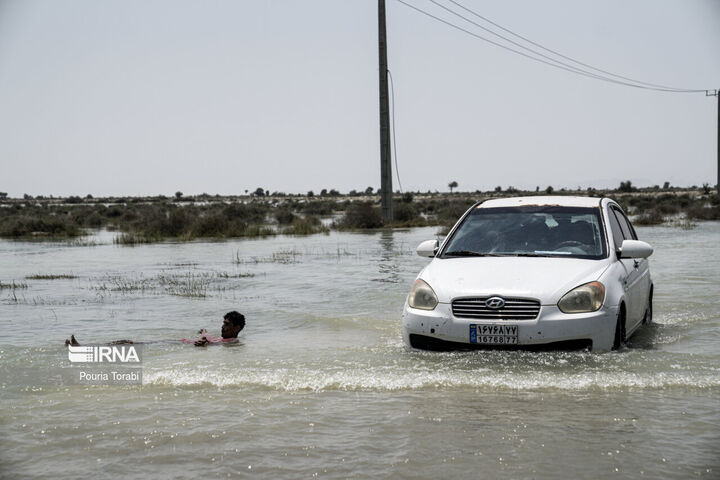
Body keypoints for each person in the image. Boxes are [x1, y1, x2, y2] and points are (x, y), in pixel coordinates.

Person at [64, 311, 246, 347]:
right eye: (223, 323)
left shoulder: (232, 341)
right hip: (175, 342)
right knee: (127, 342)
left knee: (129, 343)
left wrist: (203, 341)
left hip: (175, 346)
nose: (223, 327)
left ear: (237, 328)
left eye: (227, 325)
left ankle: (83, 347)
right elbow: (208, 339)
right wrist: (204, 332)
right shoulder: (222, 338)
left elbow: (211, 344)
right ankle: (84, 346)